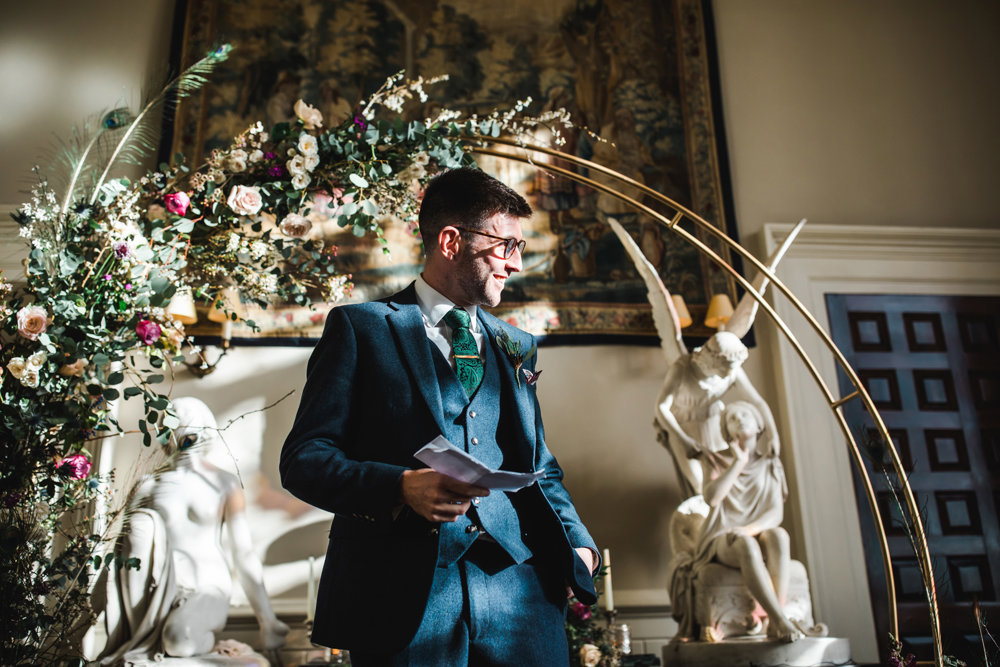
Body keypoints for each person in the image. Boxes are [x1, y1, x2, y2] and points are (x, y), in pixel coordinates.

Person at [280, 167, 599, 666]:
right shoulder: (361, 330)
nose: (516, 264)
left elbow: (541, 465)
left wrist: (580, 544)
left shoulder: (517, 345)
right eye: (507, 246)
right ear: (451, 241)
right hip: (400, 598)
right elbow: (304, 459)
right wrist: (400, 487)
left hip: (522, 595)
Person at [94, 397, 289, 665]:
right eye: (174, 423)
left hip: (207, 585)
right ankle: (141, 640)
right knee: (139, 526)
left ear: (205, 427)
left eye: (190, 424)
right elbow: (123, 553)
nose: (183, 431)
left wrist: (268, 620)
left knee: (179, 641)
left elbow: (242, 552)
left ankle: (178, 640)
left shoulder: (224, 482)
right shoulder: (147, 485)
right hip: (156, 590)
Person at [692, 400, 799, 642]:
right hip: (722, 536)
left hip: (752, 531)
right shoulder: (715, 459)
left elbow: (775, 513)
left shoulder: (770, 463)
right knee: (745, 544)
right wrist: (738, 463)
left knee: (779, 535)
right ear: (725, 430)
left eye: (745, 415)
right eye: (732, 417)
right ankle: (780, 619)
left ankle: (774, 618)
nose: (739, 419)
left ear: (759, 424)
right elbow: (711, 498)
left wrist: (749, 529)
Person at [653, 331, 780, 498]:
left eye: (732, 368)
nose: (729, 373)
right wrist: (684, 440)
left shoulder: (733, 370)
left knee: (724, 479)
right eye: (726, 368)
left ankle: (723, 522)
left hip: (714, 424)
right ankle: (702, 522)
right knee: (698, 483)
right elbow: (661, 407)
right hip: (683, 427)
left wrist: (773, 435)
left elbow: (757, 402)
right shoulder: (682, 369)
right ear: (714, 360)